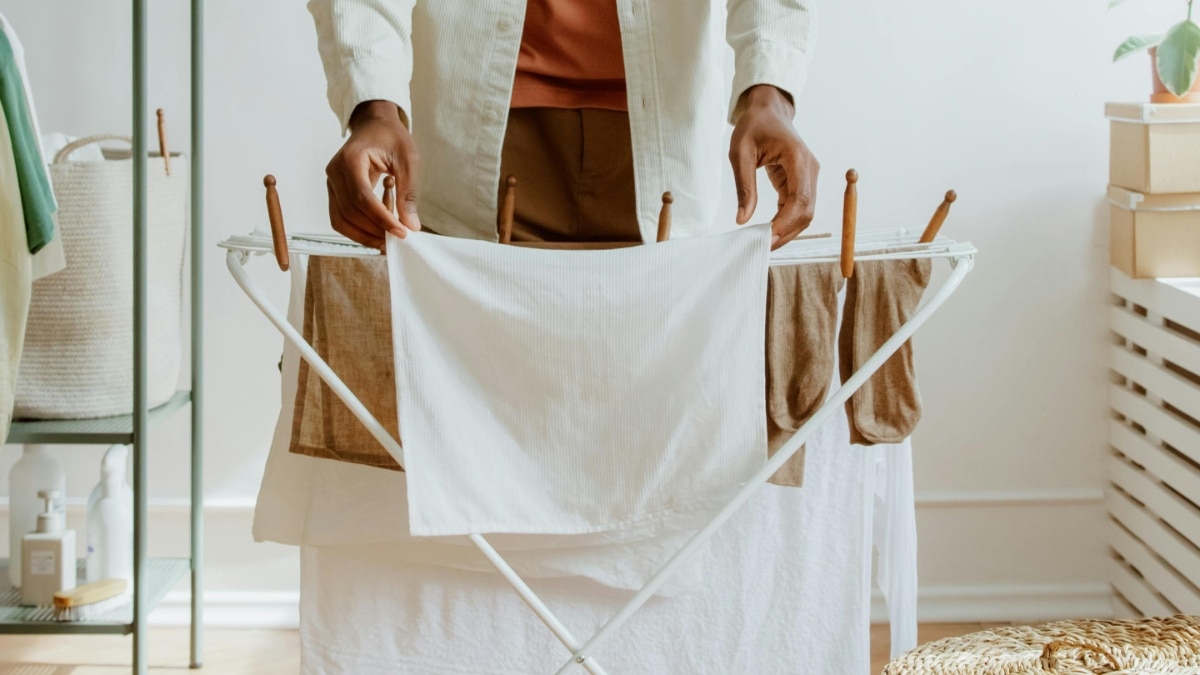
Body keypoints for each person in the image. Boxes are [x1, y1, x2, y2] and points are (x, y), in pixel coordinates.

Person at [309, 0, 819, 250]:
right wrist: (372, 104)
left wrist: (769, 92)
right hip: (477, 160)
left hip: (661, 165)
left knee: (647, 430)